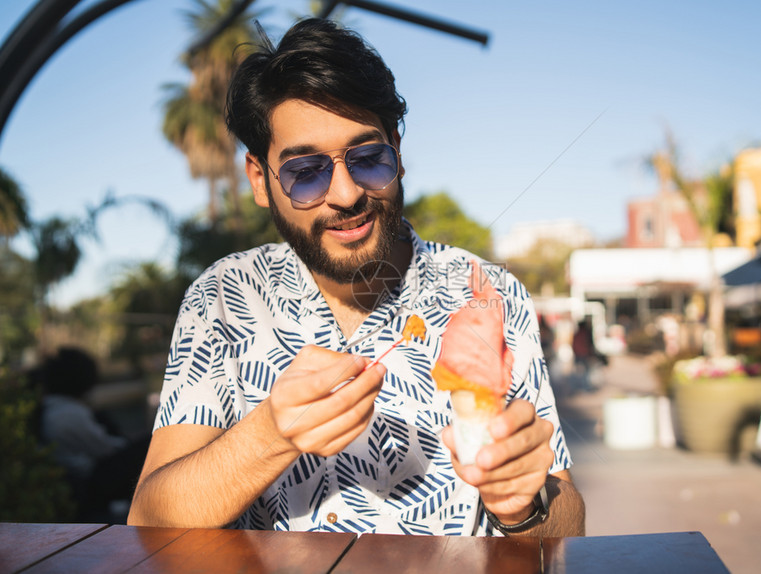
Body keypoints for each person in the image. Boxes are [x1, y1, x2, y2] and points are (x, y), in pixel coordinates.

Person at [128, 18, 585, 536]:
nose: (346, 194)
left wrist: (526, 504)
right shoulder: (226, 297)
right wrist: (269, 437)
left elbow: (567, 531)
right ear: (261, 179)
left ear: (397, 151)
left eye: (368, 159)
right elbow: (147, 520)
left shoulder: (487, 293)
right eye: (306, 171)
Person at [37, 347, 149, 520]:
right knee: (149, 445)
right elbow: (105, 448)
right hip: (87, 482)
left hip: (78, 479)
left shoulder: (52, 407)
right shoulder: (70, 413)